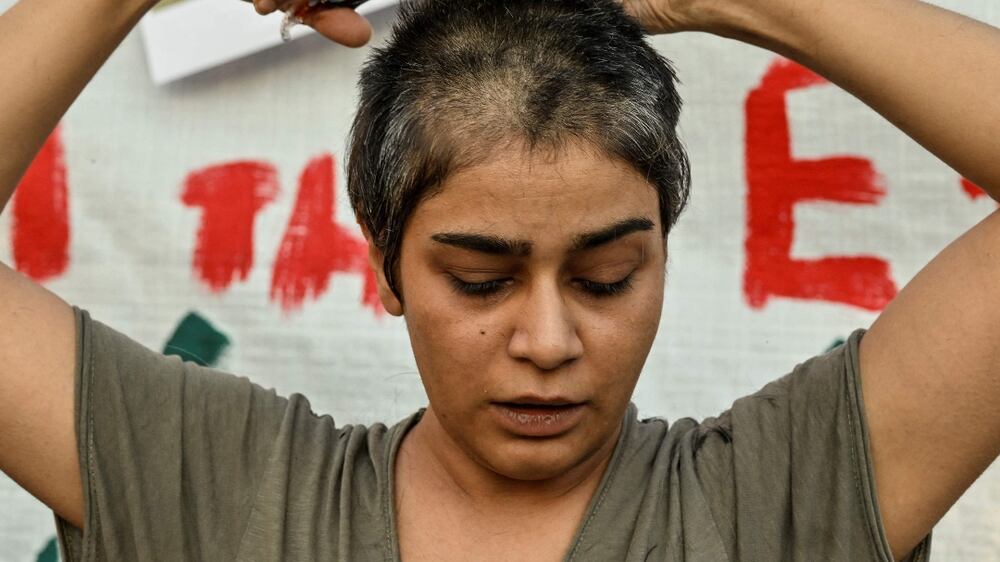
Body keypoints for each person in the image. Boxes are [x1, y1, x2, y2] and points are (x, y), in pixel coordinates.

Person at [0, 0, 997, 560]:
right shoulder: (217, 491)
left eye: (607, 276)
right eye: (480, 281)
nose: (549, 341)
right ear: (384, 261)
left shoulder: (779, 503)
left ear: (662, 253)